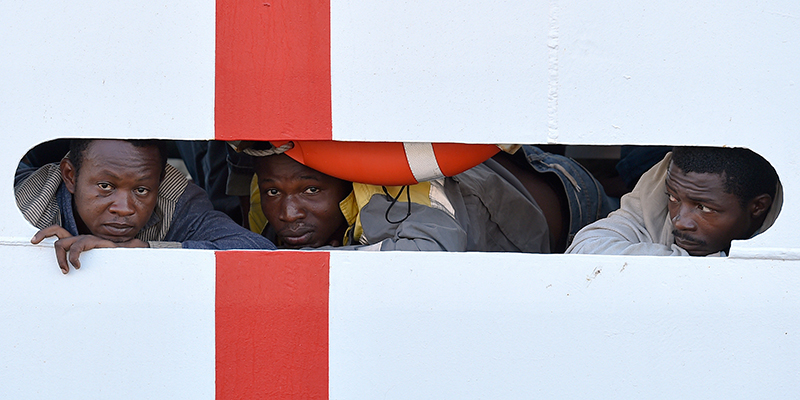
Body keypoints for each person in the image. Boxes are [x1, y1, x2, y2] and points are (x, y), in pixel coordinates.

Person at [235, 142, 615, 252]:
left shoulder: (392, 188)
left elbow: (427, 257)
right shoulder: (268, 196)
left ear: (348, 181)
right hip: (484, 176)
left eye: (312, 189)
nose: (287, 212)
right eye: (273, 192)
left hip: (573, 202)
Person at [15, 139, 276, 274]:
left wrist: (140, 249)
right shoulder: (28, 201)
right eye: (105, 186)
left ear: (159, 182)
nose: (124, 208)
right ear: (70, 176)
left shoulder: (177, 200)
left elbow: (261, 253)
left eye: (141, 190)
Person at [566, 146, 782, 256]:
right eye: (673, 198)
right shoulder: (656, 192)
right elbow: (588, 248)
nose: (679, 221)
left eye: (703, 208)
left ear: (758, 207)